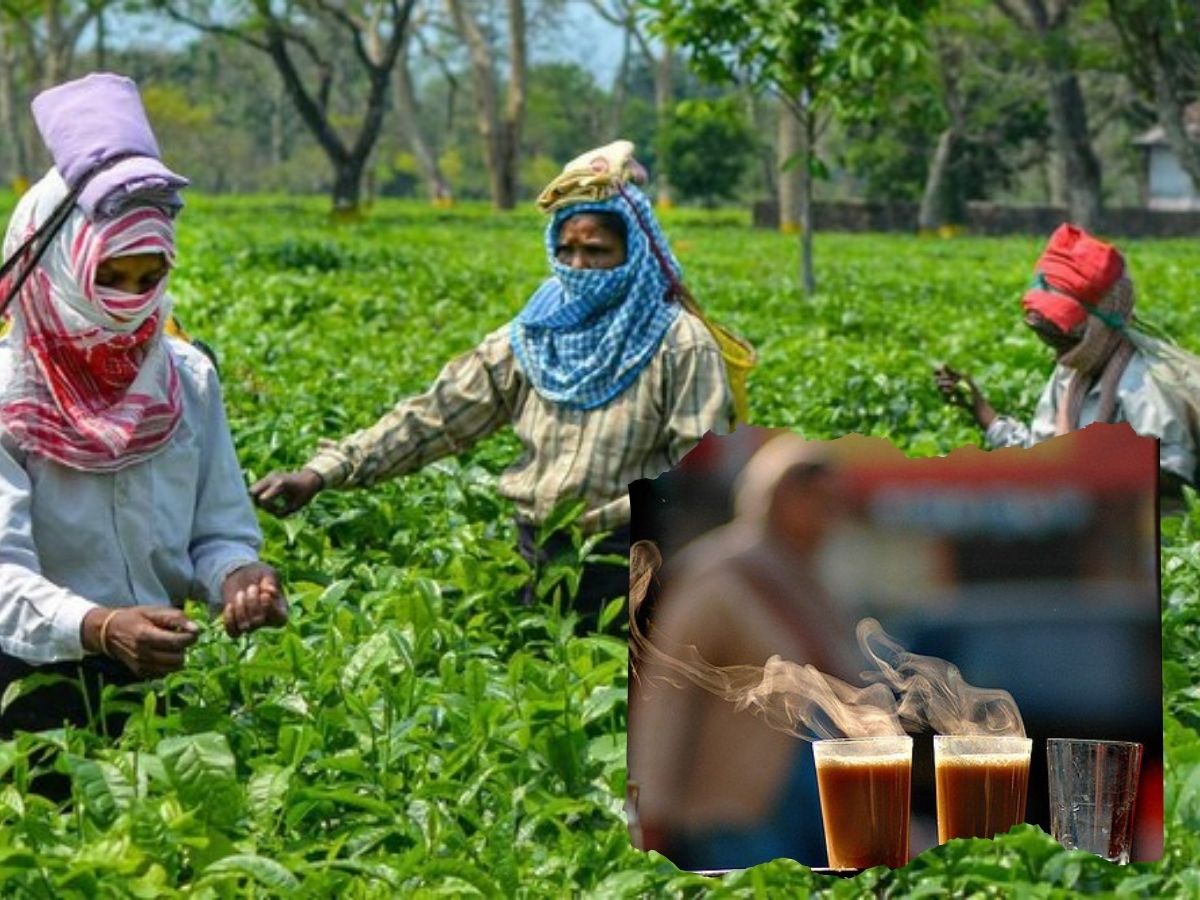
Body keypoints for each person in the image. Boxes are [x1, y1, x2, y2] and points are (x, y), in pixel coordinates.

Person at [251, 141, 733, 628]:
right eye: (566, 249)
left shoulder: (678, 343)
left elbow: (700, 478)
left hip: (627, 564)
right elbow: (435, 417)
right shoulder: (533, 334)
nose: (578, 266)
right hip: (536, 555)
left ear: (634, 254)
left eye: (597, 251)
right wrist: (322, 472)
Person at [0, 72, 287, 738]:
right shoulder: (9, 393)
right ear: (61, 267)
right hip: (25, 684)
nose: (128, 300)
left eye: (149, 278)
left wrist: (240, 577)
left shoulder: (184, 376)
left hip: (158, 673)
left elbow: (218, 529)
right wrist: (97, 626)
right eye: (109, 276)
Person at [627, 433, 863, 870]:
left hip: (821, 808)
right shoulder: (720, 578)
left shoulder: (812, 584)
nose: (825, 513)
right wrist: (652, 806)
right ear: (772, 498)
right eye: (812, 497)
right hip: (739, 809)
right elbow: (667, 694)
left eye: (833, 501)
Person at [936, 224, 1199, 496]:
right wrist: (981, 410)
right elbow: (1042, 459)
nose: (1055, 350)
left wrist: (1089, 471)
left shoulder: (1146, 386)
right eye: (1046, 336)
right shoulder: (1072, 375)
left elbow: (1174, 483)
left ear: (1099, 324)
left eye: (1061, 335)